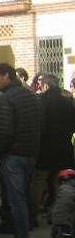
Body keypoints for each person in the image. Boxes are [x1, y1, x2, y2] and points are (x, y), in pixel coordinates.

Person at [0, 63, 42, 238]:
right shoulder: (30, 95)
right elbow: (39, 124)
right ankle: (22, 235)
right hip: (30, 152)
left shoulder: (6, 99)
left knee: (16, 199)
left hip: (13, 154)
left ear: (7, 76)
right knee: (23, 196)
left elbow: (5, 131)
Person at [35, 74, 75, 220]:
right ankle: (60, 210)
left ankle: (36, 210)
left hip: (45, 147)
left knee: (40, 179)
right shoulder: (68, 100)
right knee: (60, 179)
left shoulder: (41, 100)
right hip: (64, 146)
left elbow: (40, 125)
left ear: (46, 85)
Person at [51, 169, 75, 238]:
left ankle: (58, 230)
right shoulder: (72, 190)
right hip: (69, 220)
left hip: (56, 218)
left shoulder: (60, 190)